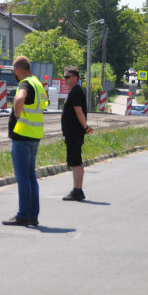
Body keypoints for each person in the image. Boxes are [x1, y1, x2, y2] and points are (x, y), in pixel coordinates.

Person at [2, 55, 48, 227]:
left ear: (16, 70)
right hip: (35, 135)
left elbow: (20, 99)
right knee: (30, 177)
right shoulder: (37, 83)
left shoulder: (25, 83)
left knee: (23, 177)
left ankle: (23, 215)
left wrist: (17, 114)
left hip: (22, 136)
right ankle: (32, 216)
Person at [60, 67, 93, 201]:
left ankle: (77, 191)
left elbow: (79, 111)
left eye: (67, 77)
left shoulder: (76, 92)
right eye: (64, 77)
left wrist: (85, 127)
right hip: (73, 132)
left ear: (75, 77)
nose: (65, 79)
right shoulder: (75, 91)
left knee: (76, 161)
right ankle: (77, 190)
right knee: (75, 161)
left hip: (74, 132)